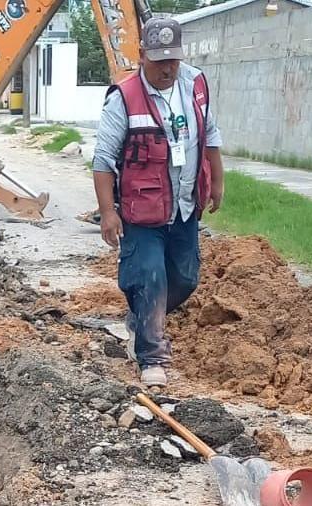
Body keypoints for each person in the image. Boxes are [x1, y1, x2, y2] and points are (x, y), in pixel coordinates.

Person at [91, 18, 225, 388]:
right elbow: (103, 160)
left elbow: (210, 136)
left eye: (173, 60)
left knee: (184, 278)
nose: (167, 68)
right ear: (142, 55)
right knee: (150, 276)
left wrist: (217, 182)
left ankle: (140, 319)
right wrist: (107, 211)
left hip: (184, 205)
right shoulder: (124, 97)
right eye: (159, 60)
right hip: (142, 210)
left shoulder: (195, 85)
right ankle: (152, 357)